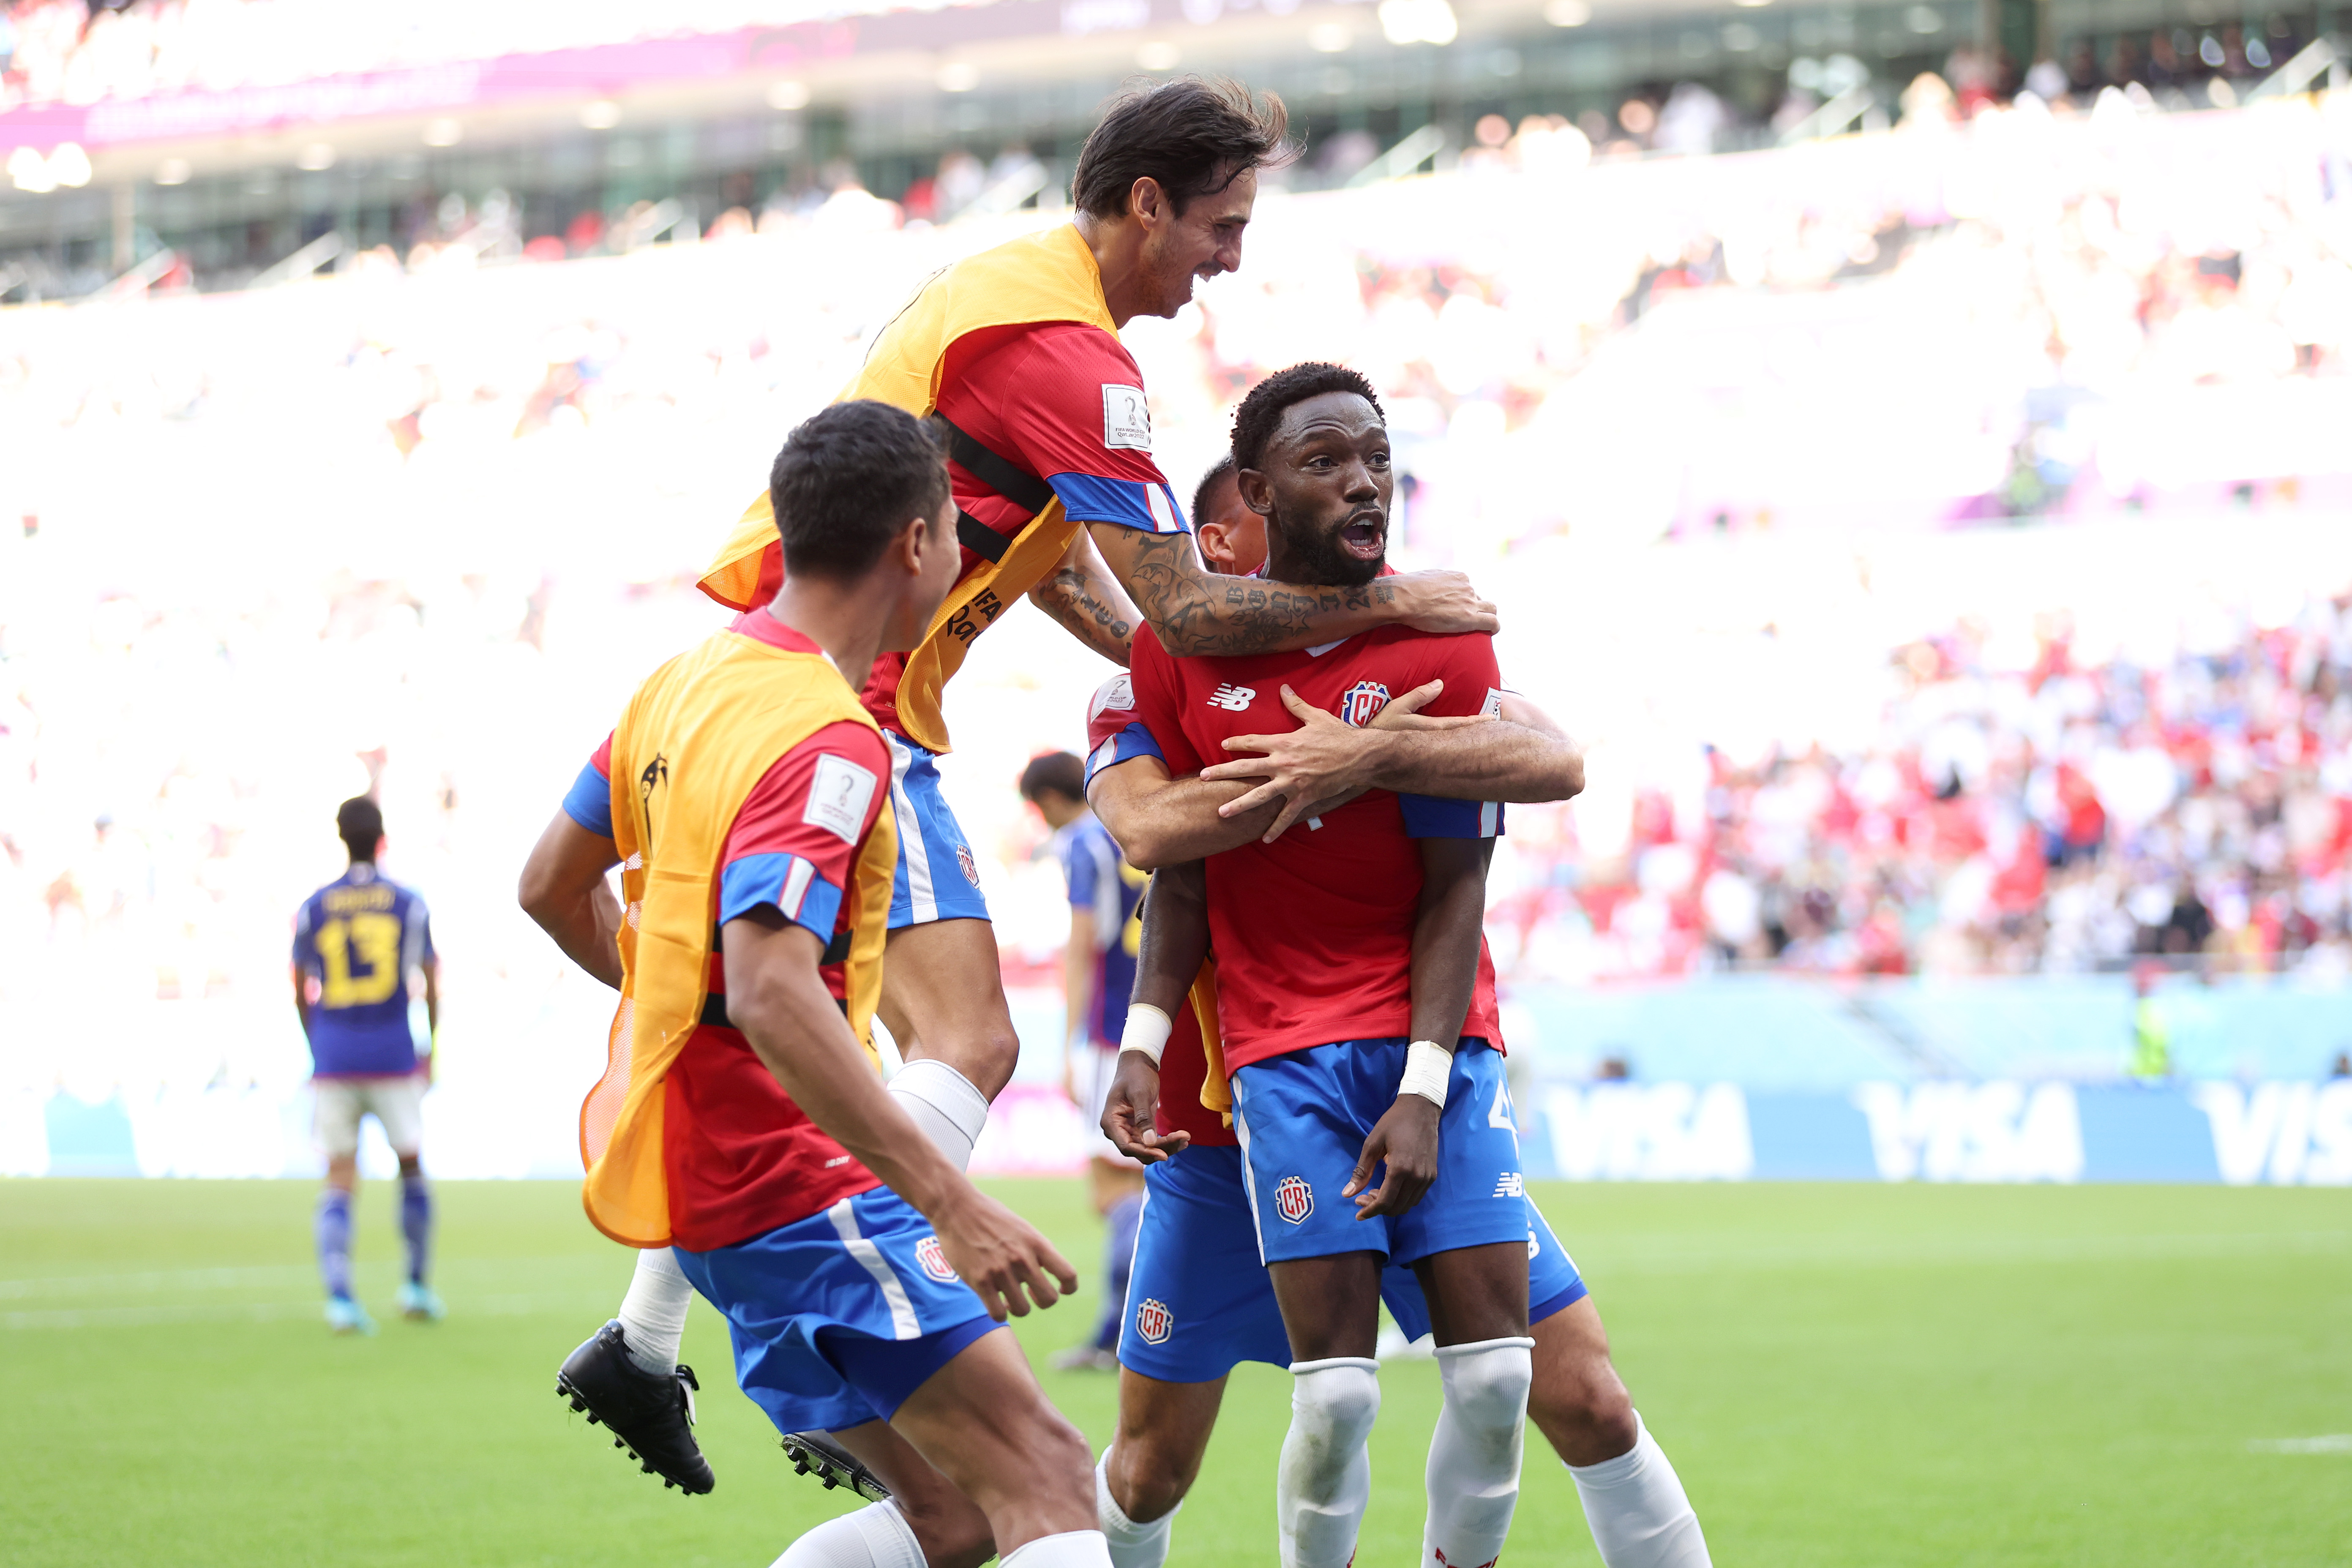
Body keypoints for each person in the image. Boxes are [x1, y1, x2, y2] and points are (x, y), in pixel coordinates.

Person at [567, 74, 1498, 1492]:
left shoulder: (1006, 298)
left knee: (826, 1034)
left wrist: (1159, 680)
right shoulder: (1076, 360)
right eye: (1218, 227)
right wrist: (1398, 605)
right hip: (844, 711)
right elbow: (1189, 609)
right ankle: (836, 1333)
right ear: (1144, 205)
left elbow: (1060, 559)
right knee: (965, 1045)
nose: (1228, 261)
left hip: (763, 688)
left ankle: (656, 1335)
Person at [1085, 367, 1711, 1568]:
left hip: (1408, 1064)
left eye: (1373, 456)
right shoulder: (1149, 674)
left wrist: (1374, 752)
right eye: (1322, 463)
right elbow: (1162, 848)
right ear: (1227, 531)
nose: (1364, 480)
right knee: (1158, 1455)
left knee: (1575, 1396)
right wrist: (1142, 1041)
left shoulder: (1431, 642)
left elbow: (1544, 762)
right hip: (1224, 1120)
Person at [519, 401, 1111, 1567]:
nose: (958, 556)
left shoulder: (683, 684)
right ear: (915, 543)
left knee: (947, 1515)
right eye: (951, 531)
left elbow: (549, 882)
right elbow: (774, 989)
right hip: (793, 1178)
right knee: (1045, 1474)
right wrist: (952, 1198)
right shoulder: (829, 740)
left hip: (707, 1191)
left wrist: (673, 1006)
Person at [291, 795, 442, 1334]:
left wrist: (319, 1042)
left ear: (340, 838)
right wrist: (432, 1046)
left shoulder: (315, 906)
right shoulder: (408, 903)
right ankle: (417, 1285)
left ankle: (339, 1297)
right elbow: (428, 979)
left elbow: (299, 986)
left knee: (338, 1176)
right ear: (382, 840)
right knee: (411, 1164)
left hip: (334, 1055)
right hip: (393, 1054)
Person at [1019, 750, 1148, 1374]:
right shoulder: (1138, 821)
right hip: (1164, 1022)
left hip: (1109, 1031)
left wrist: (1069, 1044)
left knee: (1115, 1188)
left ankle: (1117, 1335)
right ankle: (1150, 1327)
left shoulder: (1081, 844)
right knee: (1153, 1183)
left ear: (1045, 799)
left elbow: (1080, 946)